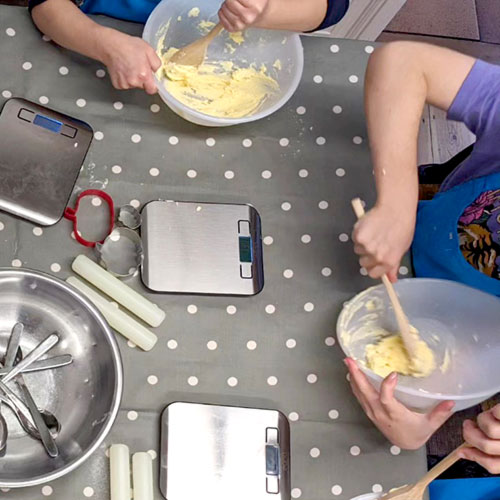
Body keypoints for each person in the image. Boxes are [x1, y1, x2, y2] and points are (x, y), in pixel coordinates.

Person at [348, 41, 500, 473]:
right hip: (401, 248)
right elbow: (403, 63)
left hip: (474, 358)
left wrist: (422, 424)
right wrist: (397, 206)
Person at [29, 0, 349, 94]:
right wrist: (105, 44)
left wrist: (269, 11)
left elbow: (332, 7)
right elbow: (45, 6)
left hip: (238, 49)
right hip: (95, 47)